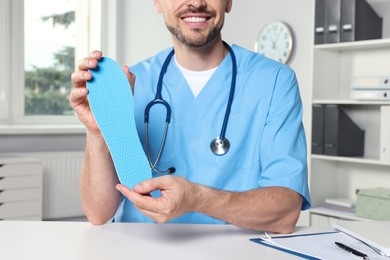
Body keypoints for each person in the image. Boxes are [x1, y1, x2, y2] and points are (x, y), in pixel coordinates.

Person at [70, 0, 310, 234]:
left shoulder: (274, 81)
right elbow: (98, 213)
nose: (196, 2)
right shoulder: (130, 83)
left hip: (234, 252)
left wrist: (197, 199)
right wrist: (97, 132)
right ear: (157, 3)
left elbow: (286, 212)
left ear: (228, 2)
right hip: (140, 247)